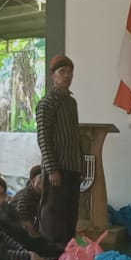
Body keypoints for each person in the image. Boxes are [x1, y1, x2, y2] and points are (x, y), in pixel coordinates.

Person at [35, 54, 83, 247]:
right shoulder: (46, 103)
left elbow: (75, 135)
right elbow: (43, 138)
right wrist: (52, 168)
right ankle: (51, 255)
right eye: (62, 72)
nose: (67, 76)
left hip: (73, 167)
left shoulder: (71, 103)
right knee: (53, 214)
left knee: (70, 213)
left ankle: (68, 253)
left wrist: (82, 164)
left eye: (70, 72)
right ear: (52, 76)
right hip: (57, 168)